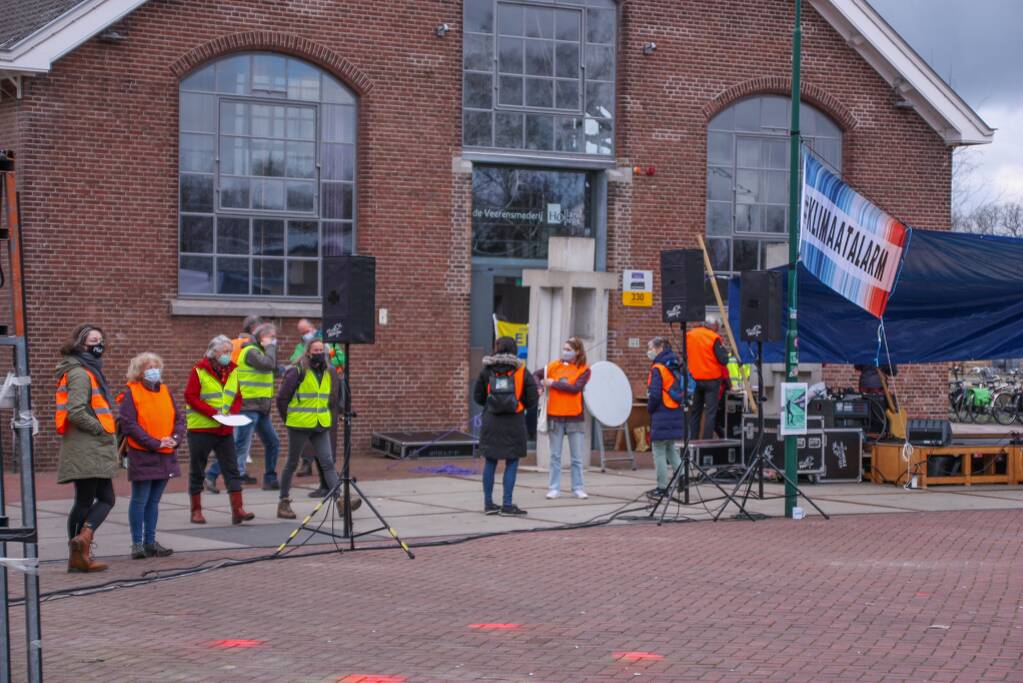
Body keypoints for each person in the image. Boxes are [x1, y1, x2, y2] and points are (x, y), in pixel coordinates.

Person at [55, 324, 118, 573]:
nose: (98, 345)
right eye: (93, 340)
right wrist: (100, 429)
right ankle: (79, 551)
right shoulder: (80, 373)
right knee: (97, 498)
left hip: (91, 445)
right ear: (80, 344)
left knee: (94, 498)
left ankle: (80, 547)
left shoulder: (88, 370)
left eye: (101, 340)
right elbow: (76, 411)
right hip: (87, 445)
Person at [275, 339, 362, 518]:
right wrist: (288, 419)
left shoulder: (328, 371)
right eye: (316, 350)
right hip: (299, 424)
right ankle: (283, 502)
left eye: (322, 350)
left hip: (320, 424)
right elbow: (282, 398)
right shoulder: (297, 371)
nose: (319, 353)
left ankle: (340, 500)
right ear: (308, 352)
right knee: (292, 463)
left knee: (328, 462)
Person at [118, 352, 183, 559]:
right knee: (140, 499)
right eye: (149, 367)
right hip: (143, 454)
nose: (154, 370)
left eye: (156, 366)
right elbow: (129, 424)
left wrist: (174, 439)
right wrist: (154, 443)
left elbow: (178, 419)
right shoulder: (132, 393)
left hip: (165, 453)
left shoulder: (165, 391)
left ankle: (150, 542)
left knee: (153, 501)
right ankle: (137, 543)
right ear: (139, 371)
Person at [185, 335, 254, 525]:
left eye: (229, 351)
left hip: (224, 428)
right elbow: (190, 396)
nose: (228, 355)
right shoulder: (199, 370)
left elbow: (237, 396)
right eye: (225, 351)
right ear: (213, 352)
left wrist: (232, 413)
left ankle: (238, 509)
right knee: (197, 469)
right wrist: (213, 413)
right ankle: (196, 510)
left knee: (232, 468)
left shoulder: (233, 370)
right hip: (201, 428)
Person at [205, 322, 281, 491]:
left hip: (260, 408)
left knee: (273, 442)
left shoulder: (261, 352)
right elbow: (268, 364)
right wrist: (270, 347)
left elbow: (273, 368)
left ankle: (270, 478)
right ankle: (211, 475)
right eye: (272, 337)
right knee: (239, 446)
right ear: (263, 337)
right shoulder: (250, 351)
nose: (275, 340)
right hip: (248, 406)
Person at [473, 336, 538, 516]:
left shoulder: (487, 371)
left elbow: (477, 396)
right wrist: (518, 404)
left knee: (490, 461)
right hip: (514, 421)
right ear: (514, 350)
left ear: (497, 349)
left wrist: (491, 405)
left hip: (491, 421)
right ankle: (507, 505)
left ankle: (488, 504)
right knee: (512, 461)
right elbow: (532, 399)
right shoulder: (522, 371)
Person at [290, 318, 346, 485]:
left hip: (327, 402)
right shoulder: (302, 346)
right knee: (308, 441)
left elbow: (341, 360)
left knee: (327, 443)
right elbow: (294, 360)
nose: (304, 335)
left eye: (306, 332)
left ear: (313, 329)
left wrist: (326, 355)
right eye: (302, 333)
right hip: (310, 407)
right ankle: (307, 464)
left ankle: (328, 482)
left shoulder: (329, 344)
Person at [537, 337, 591, 499]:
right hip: (555, 415)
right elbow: (535, 375)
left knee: (577, 457)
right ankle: (554, 488)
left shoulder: (584, 370)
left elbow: (575, 388)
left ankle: (578, 488)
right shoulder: (553, 366)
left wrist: (553, 383)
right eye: (564, 349)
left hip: (575, 416)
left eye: (568, 349)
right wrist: (539, 386)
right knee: (555, 455)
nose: (565, 352)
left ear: (577, 351)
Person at [646, 337, 684, 498]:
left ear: (660, 347)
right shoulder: (675, 363)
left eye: (651, 348)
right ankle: (683, 478)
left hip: (661, 412)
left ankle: (662, 487)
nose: (649, 351)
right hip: (675, 410)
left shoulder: (658, 368)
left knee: (659, 451)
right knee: (670, 448)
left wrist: (649, 409)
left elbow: (654, 394)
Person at [686, 315, 729, 439]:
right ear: (714, 324)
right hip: (712, 379)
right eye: (718, 327)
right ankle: (706, 441)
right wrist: (725, 351)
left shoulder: (690, 335)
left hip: (695, 379)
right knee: (710, 413)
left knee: (695, 412)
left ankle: (693, 440)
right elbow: (723, 359)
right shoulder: (713, 337)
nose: (718, 330)